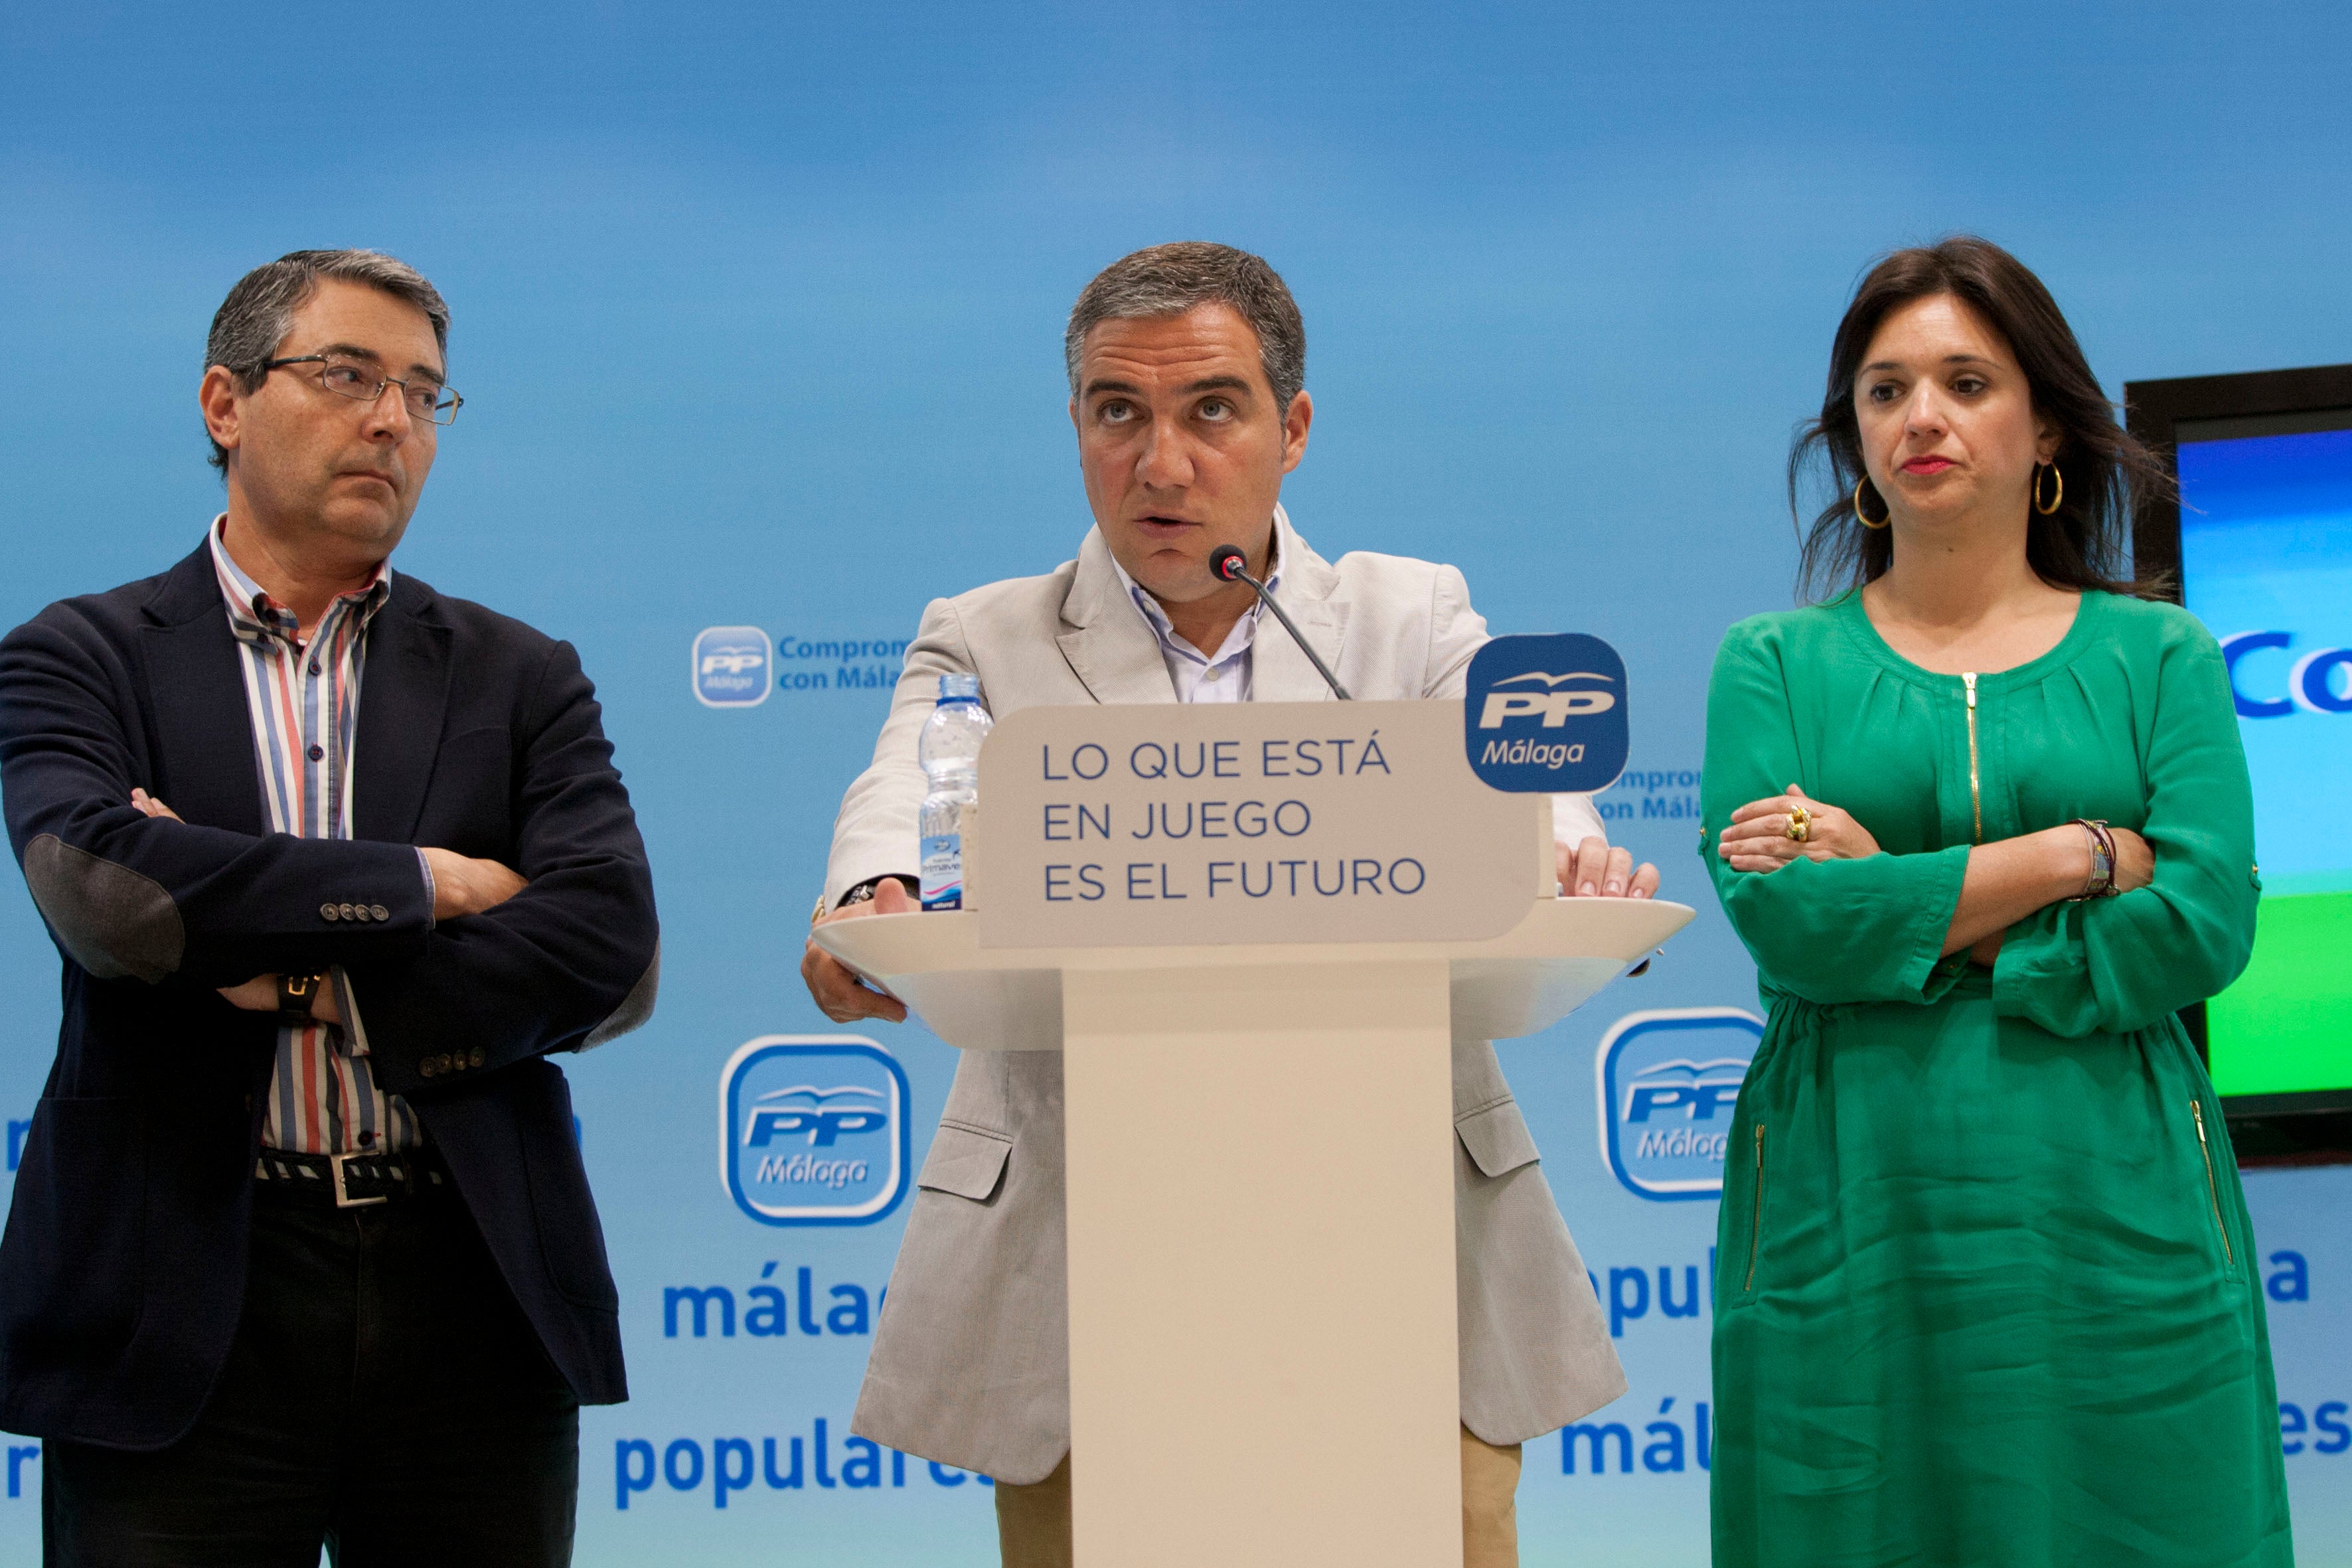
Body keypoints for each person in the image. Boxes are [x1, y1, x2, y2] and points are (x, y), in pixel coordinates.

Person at [803, 241, 1657, 1568]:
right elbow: (897, 797)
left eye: (1208, 408)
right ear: (1076, 422)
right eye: (1115, 412)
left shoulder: (1405, 614)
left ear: (1291, 427)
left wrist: (1571, 860)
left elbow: (1525, 800)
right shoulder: (986, 634)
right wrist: (875, 891)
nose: (1157, 463)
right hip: (1088, 1282)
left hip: (1403, 1262)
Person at [0, 249, 660, 1565]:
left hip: (469, 1289)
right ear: (223, 403)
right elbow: (113, 896)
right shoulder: (82, 652)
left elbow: (605, 951)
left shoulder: (518, 674)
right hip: (180, 1288)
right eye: (348, 375)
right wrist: (425, 883)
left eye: (424, 393)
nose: (391, 421)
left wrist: (281, 956)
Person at [1701, 236, 2292, 1567]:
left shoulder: (2161, 654)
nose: (1920, 416)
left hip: (2110, 1183)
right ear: (1849, 436)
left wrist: (1897, 900)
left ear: (2042, 429)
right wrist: (2080, 850)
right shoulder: (1769, 664)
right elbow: (1790, 923)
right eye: (1883, 388)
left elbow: (2198, 923)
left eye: (1965, 381)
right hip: (1847, 1189)